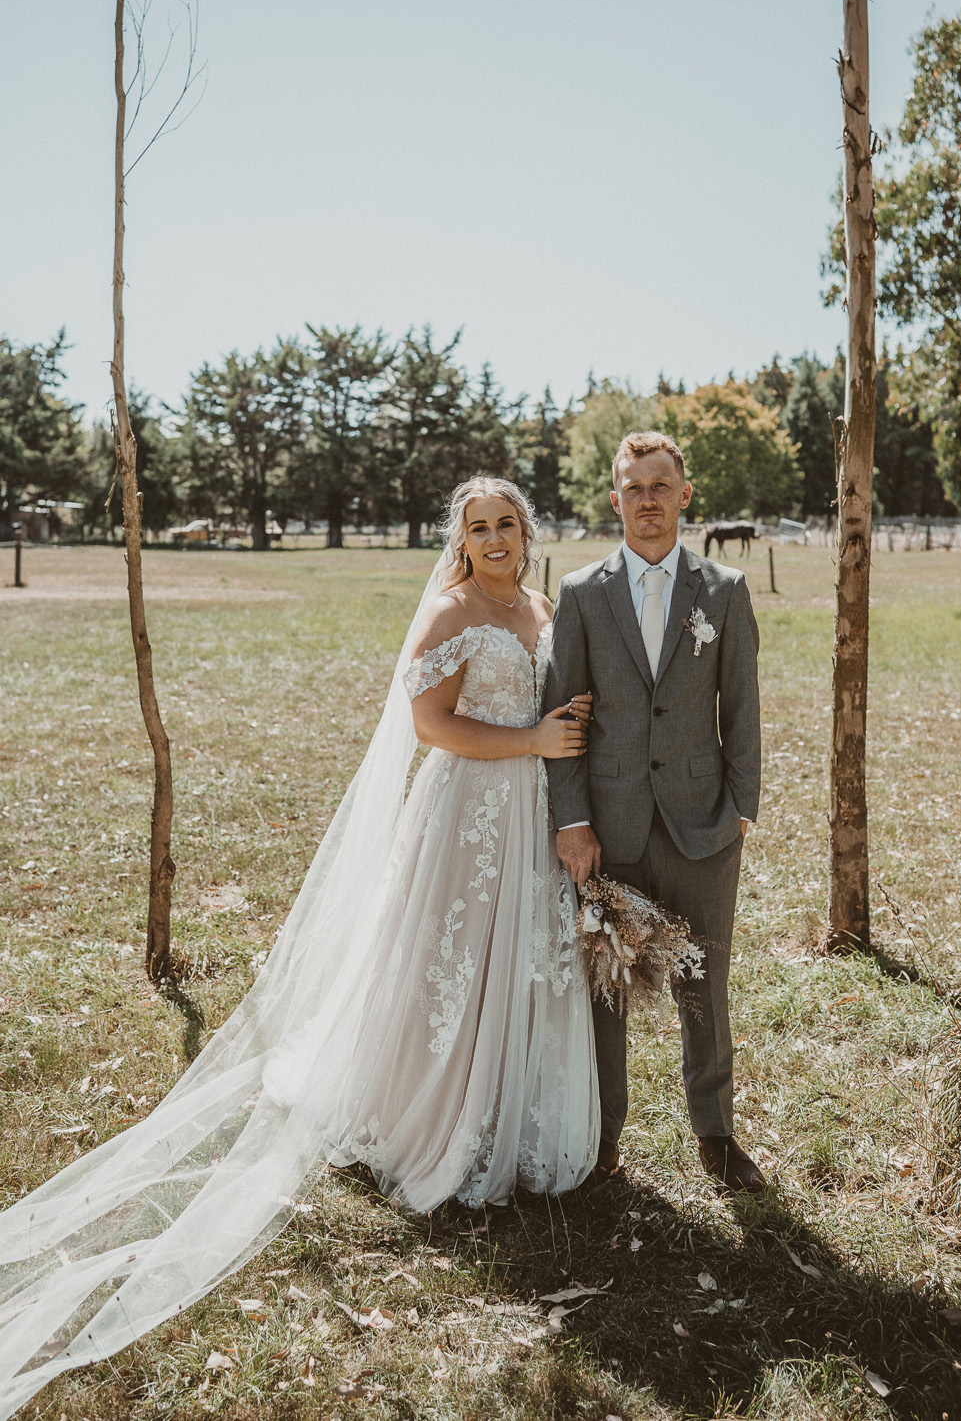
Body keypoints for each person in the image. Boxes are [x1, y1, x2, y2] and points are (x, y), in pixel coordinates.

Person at [0, 477, 599, 1421]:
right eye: (479, 527)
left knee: (508, 966)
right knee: (444, 967)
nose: (494, 539)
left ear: (528, 533)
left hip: (528, 815)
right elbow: (430, 725)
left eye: (507, 524)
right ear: (462, 538)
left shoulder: (538, 605)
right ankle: (426, 1115)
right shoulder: (450, 610)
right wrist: (532, 739)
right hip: (466, 815)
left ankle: (508, 1110)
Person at [543, 432, 765, 1194]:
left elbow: (743, 709)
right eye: (633, 486)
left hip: (704, 823)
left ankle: (716, 1133)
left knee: (705, 984)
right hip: (610, 829)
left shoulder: (726, 591)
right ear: (615, 499)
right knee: (607, 989)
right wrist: (572, 822)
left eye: (660, 484)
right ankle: (603, 1138)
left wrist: (742, 808)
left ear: (684, 494)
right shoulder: (578, 594)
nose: (647, 498)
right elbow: (561, 720)